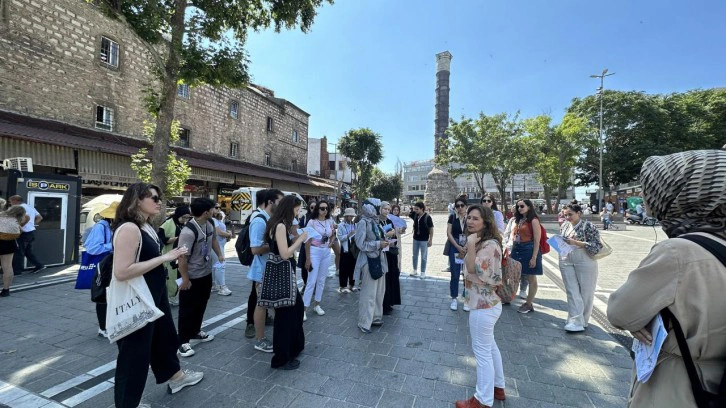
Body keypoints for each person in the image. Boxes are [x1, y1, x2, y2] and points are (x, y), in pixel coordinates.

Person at [607, 150, 726, 407]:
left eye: (652, 191)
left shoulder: (678, 251)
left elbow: (620, 312)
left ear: (679, 194)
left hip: (679, 383)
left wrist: (643, 321)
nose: (647, 200)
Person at [111, 182, 202, 408]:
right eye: (153, 197)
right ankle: (126, 404)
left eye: (159, 198)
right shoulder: (130, 228)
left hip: (154, 294)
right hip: (139, 298)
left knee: (165, 339)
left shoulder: (147, 225)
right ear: (136, 200)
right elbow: (121, 271)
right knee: (135, 354)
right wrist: (164, 258)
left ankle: (176, 377)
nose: (159, 202)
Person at [455, 204, 505, 408]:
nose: (470, 221)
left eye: (475, 218)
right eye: (469, 217)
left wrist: (470, 245)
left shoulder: (488, 245)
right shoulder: (482, 241)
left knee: (482, 353)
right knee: (490, 347)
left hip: (483, 305)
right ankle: (498, 387)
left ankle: (482, 399)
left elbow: (471, 267)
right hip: (486, 303)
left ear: (486, 221)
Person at [176, 198, 224, 358]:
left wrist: (219, 254)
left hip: (205, 273)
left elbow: (213, 239)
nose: (215, 210)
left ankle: (195, 331)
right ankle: (182, 342)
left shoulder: (209, 223)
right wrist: (185, 279)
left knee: (201, 304)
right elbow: (182, 258)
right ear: (206, 212)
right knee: (187, 309)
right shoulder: (188, 232)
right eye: (213, 208)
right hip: (191, 276)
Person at [264, 195, 308, 370]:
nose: (297, 214)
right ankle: (282, 357)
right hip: (283, 275)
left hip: (284, 275)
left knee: (295, 310)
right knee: (286, 317)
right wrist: (300, 239)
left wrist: (296, 236)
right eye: (296, 210)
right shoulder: (280, 226)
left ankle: (293, 348)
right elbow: (285, 254)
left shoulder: (277, 223)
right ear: (289, 209)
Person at [247, 189, 284, 351]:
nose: (281, 205)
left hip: (271, 269)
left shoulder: (271, 219)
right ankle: (260, 339)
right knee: (261, 305)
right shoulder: (259, 221)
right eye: (280, 202)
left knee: (269, 303)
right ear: (270, 202)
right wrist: (277, 244)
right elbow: (255, 249)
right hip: (262, 270)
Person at [559, 203, 603, 332]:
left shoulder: (588, 226)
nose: (567, 217)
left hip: (585, 260)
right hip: (566, 258)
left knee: (586, 292)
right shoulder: (565, 225)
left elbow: (597, 245)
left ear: (579, 213)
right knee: (571, 290)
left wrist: (577, 243)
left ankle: (582, 320)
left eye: (570, 214)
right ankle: (575, 319)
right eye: (565, 215)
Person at [355, 200, 390, 333]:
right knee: (368, 293)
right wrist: (377, 244)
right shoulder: (363, 222)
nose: (377, 209)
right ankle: (364, 322)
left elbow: (378, 238)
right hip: (368, 261)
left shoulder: (375, 222)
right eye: (376, 207)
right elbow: (360, 244)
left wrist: (385, 241)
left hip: (379, 260)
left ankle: (375, 317)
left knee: (379, 292)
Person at [84, 203, 115, 337]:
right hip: (103, 266)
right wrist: (112, 245)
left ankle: (109, 325)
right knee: (102, 296)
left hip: (110, 264)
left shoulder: (111, 226)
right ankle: (103, 328)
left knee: (110, 295)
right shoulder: (101, 227)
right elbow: (92, 248)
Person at [303, 200, 336, 320]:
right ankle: (304, 309)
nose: (325, 210)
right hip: (314, 251)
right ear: (317, 209)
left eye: (326, 208)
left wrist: (331, 242)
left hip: (326, 251)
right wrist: (308, 259)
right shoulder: (311, 222)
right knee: (311, 281)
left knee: (321, 280)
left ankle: (317, 304)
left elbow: (333, 233)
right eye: (322, 208)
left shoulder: (330, 221)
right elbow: (307, 241)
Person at [510, 199, 542, 314]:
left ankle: (529, 303)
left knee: (531, 277)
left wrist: (534, 257)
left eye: (522, 206)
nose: (519, 208)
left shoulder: (533, 220)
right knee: (514, 274)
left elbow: (537, 240)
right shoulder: (519, 219)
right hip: (517, 248)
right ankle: (508, 296)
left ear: (529, 207)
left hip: (529, 249)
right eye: (518, 206)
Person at [158, 206, 192, 306]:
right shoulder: (167, 224)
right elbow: (161, 240)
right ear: (178, 215)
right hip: (170, 255)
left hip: (180, 255)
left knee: (180, 274)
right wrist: (179, 238)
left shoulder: (183, 224)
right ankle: (171, 296)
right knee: (172, 276)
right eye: (184, 217)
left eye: (187, 217)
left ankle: (177, 295)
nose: (185, 219)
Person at [8, 195, 45, 274]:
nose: (10, 203)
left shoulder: (19, 208)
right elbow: (40, 217)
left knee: (19, 252)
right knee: (27, 252)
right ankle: (39, 265)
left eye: (11, 201)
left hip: (23, 233)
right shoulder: (30, 207)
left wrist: (21, 226)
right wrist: (33, 225)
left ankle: (17, 271)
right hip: (31, 232)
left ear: (16, 201)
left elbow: (25, 218)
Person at [0, 203, 29, 297]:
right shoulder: (15, 220)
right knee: (7, 267)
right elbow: (22, 230)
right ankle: (6, 290)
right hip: (9, 244)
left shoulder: (1, 215)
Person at [447, 195, 469, 311]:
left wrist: (465, 247)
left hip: (468, 247)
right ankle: (454, 298)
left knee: (467, 274)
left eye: (462, 205)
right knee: (455, 273)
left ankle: (466, 298)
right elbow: (449, 233)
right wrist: (457, 246)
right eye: (457, 206)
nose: (460, 208)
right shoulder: (452, 217)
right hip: (455, 247)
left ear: (466, 206)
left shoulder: (470, 217)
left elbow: (474, 232)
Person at [380, 202, 401, 315]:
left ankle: (390, 302)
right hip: (382, 253)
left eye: (388, 209)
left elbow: (394, 237)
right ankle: (383, 304)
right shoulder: (377, 222)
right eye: (385, 209)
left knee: (392, 275)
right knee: (385, 279)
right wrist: (386, 235)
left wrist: (393, 237)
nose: (387, 211)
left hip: (390, 253)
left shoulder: (389, 221)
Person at [211, 204, 234, 296]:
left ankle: (215, 285)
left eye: (219, 207)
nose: (219, 209)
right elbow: (219, 232)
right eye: (216, 207)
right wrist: (228, 234)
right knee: (220, 265)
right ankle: (222, 287)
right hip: (216, 245)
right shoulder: (213, 220)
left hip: (219, 244)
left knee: (215, 266)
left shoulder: (217, 220)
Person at [408, 201, 433, 279]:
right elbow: (408, 213)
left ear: (422, 209)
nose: (415, 210)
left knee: (423, 256)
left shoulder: (427, 217)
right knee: (414, 255)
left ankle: (423, 272)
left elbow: (431, 228)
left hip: (424, 240)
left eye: (417, 209)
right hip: (415, 238)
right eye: (415, 209)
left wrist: (430, 239)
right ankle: (415, 270)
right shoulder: (415, 215)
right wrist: (412, 209)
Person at [336, 208, 357, 293]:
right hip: (345, 247)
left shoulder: (355, 225)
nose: (351, 217)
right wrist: (348, 235)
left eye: (352, 216)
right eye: (350, 216)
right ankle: (343, 286)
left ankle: (352, 285)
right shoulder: (341, 225)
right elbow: (340, 237)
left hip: (353, 247)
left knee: (353, 267)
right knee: (344, 267)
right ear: (346, 216)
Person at [297, 200, 316, 287]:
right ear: (309, 208)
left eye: (315, 207)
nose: (313, 209)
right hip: (306, 244)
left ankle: (313, 285)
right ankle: (305, 283)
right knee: (305, 265)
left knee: (315, 265)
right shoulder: (304, 217)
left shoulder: (320, 218)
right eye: (312, 207)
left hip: (316, 245)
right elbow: (298, 229)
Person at [390, 204, 406, 272]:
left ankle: (397, 271)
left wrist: (403, 229)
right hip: (390, 240)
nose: (396, 211)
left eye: (397, 210)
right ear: (392, 210)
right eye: (394, 210)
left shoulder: (400, 220)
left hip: (398, 241)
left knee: (398, 256)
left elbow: (400, 231)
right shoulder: (388, 219)